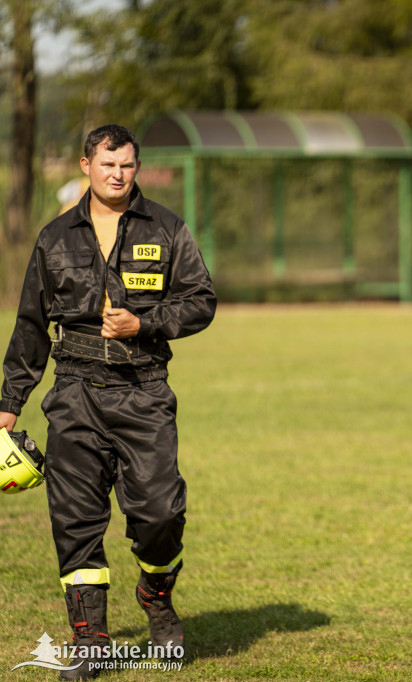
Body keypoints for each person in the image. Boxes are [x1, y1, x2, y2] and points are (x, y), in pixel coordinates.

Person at [0, 124, 217, 679]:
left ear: (136, 168)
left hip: (143, 390)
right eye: (107, 164)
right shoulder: (54, 237)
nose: (117, 174)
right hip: (73, 390)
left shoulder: (166, 228)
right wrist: (10, 401)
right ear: (85, 166)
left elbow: (201, 300)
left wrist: (146, 322)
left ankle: (155, 593)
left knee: (160, 512)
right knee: (75, 521)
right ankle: (90, 641)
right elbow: (30, 325)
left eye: (126, 165)